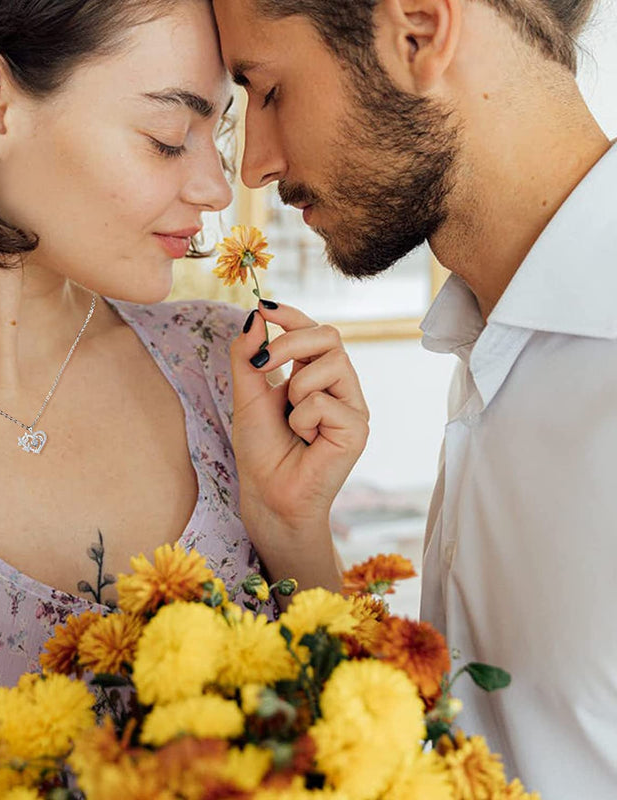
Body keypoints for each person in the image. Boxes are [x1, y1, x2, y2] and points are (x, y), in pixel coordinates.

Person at [0, 1, 370, 796]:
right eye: (167, 138)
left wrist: (293, 530)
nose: (218, 188)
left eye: (213, 139)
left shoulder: (222, 370)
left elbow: (359, 754)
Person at [213, 0, 617, 796]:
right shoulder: (498, 340)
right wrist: (297, 536)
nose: (253, 165)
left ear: (419, 32)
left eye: (267, 91)